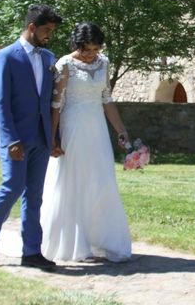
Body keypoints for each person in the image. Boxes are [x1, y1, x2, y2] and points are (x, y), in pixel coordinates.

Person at [40, 22, 132, 262]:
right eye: (87, 50)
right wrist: (52, 137)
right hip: (73, 128)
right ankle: (73, 244)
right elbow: (56, 105)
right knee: (74, 183)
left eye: (96, 49)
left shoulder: (105, 63)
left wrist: (121, 131)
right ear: (77, 46)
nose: (92, 54)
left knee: (102, 182)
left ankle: (103, 239)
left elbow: (107, 99)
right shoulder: (65, 65)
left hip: (97, 130)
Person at [0, 4, 63, 270]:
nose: (49, 35)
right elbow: (0, 103)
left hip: (41, 139)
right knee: (13, 187)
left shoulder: (49, 58)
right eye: (46, 30)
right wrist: (10, 139)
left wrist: (54, 137)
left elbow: (53, 102)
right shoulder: (5, 56)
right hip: (16, 139)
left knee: (35, 196)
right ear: (31, 27)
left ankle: (31, 252)